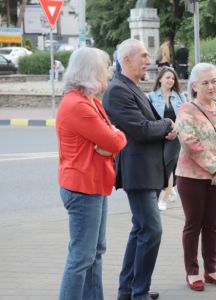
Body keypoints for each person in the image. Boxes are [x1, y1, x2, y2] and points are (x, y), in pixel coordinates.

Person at [102, 38, 177, 300]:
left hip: (148, 169)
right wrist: (167, 124)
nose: (149, 61)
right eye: (143, 56)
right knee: (151, 230)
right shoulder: (117, 90)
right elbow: (141, 129)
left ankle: (129, 289)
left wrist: (164, 126)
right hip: (138, 172)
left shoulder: (130, 86)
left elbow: (148, 123)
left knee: (140, 229)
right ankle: (138, 292)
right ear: (126, 60)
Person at [56, 47, 127, 300]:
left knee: (95, 252)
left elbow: (112, 138)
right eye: (103, 69)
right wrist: (112, 141)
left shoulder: (90, 100)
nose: (108, 74)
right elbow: (116, 141)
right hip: (82, 188)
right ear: (90, 72)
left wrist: (111, 141)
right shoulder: (78, 105)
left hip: (94, 184)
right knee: (81, 258)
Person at [176, 62, 216, 291]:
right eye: (205, 83)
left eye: (213, 81)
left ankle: (211, 269)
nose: (211, 86)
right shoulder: (186, 110)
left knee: (212, 224)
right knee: (194, 224)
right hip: (191, 177)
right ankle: (192, 272)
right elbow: (190, 144)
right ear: (194, 86)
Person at [148, 67, 186, 211]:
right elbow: (149, 117)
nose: (170, 80)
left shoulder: (180, 96)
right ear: (160, 79)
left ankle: (164, 198)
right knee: (160, 165)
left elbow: (184, 116)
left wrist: (176, 130)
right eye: (167, 77)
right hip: (159, 135)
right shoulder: (151, 96)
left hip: (175, 136)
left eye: (173, 78)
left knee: (167, 164)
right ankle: (169, 188)